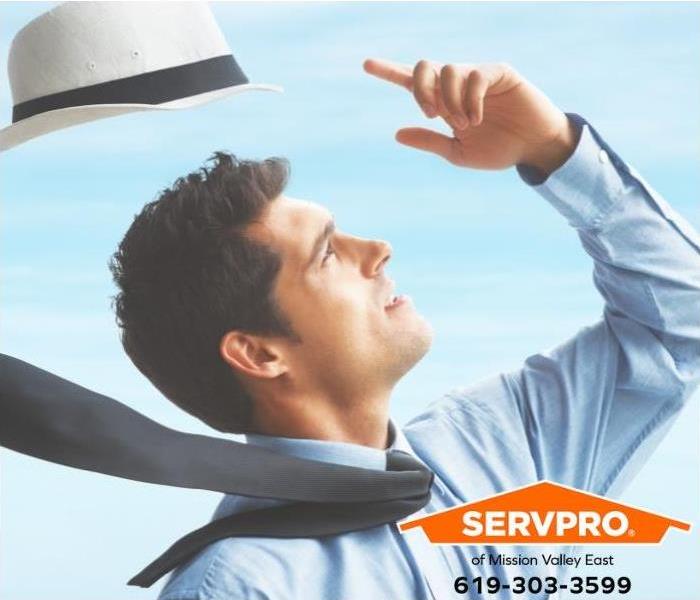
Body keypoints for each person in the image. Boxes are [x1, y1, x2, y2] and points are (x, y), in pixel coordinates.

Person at [107, 59, 700, 599]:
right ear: (259, 353)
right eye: (327, 255)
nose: (379, 249)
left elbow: (682, 323)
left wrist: (553, 150)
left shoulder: (495, 445)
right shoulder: (240, 586)